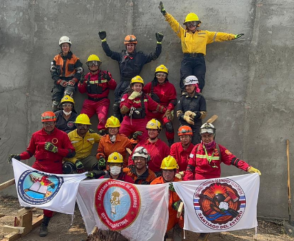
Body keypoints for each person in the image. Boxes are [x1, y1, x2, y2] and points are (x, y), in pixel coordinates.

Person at [183, 123, 261, 241]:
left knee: (211, 207)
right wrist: (187, 184)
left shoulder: (219, 149)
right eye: (204, 136)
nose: (207, 138)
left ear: (214, 135)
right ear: (201, 136)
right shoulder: (196, 148)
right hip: (198, 186)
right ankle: (199, 228)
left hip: (213, 186)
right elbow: (190, 168)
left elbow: (233, 159)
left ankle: (205, 232)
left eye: (209, 135)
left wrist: (248, 168)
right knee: (198, 208)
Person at [8, 111, 75, 237]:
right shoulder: (36, 135)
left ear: (55, 122)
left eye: (50, 123)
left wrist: (57, 150)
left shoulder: (62, 136)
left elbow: (71, 152)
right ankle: (29, 202)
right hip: (38, 167)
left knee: (49, 199)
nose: (48, 125)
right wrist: (18, 157)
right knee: (26, 182)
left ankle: (44, 224)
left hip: (54, 169)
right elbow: (29, 152)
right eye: (45, 123)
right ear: (42, 124)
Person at [158, 2, 244, 91]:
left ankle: (197, 96)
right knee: (185, 78)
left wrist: (232, 37)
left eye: (193, 23)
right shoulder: (183, 33)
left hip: (199, 60)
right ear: (186, 25)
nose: (191, 25)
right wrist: (165, 13)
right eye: (189, 24)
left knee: (200, 79)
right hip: (187, 60)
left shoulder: (205, 34)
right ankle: (184, 96)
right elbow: (173, 23)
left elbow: (219, 35)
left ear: (197, 24)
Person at [98, 31, 163, 121]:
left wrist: (159, 43)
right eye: (128, 45)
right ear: (126, 46)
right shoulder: (121, 55)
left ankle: (125, 127)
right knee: (116, 106)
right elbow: (109, 53)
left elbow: (154, 56)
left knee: (127, 108)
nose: (130, 47)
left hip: (133, 85)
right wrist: (103, 41)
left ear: (135, 46)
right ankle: (117, 127)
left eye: (132, 45)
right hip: (121, 84)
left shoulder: (140, 57)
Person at [78, 54, 117, 135]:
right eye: (90, 64)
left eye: (95, 63)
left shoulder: (105, 74)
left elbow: (113, 87)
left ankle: (103, 136)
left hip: (102, 102)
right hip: (89, 102)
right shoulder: (86, 77)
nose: (93, 65)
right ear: (88, 66)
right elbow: (81, 91)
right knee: (81, 120)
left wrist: (109, 80)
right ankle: (80, 136)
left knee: (102, 119)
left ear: (98, 65)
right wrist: (81, 83)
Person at [120, 76, 166, 141]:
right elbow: (123, 111)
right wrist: (131, 99)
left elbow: (155, 106)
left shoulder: (145, 97)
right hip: (128, 121)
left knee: (145, 140)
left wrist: (167, 111)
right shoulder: (126, 96)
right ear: (132, 87)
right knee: (119, 138)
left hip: (142, 121)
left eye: (140, 86)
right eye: (136, 86)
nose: (138, 88)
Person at [143, 64, 177, 146]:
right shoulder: (150, 85)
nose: (161, 77)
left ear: (166, 76)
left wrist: (169, 109)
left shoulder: (170, 87)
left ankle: (170, 145)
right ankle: (145, 145)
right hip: (151, 112)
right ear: (155, 76)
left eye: (163, 75)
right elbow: (142, 93)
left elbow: (173, 100)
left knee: (169, 126)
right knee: (144, 128)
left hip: (164, 111)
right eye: (158, 75)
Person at [151, 156, 183, 240]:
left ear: (175, 171)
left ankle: (178, 231)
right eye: (165, 171)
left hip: (175, 219)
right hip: (160, 219)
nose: (167, 174)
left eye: (170, 171)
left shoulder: (180, 184)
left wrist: (181, 203)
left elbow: (187, 200)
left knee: (184, 214)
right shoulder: (155, 184)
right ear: (161, 171)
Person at [50, 36, 83, 112]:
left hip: (70, 82)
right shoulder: (56, 58)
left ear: (69, 47)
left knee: (67, 98)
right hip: (59, 82)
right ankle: (56, 120)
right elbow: (53, 72)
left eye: (66, 46)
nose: (65, 47)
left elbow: (80, 71)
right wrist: (59, 81)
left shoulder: (75, 59)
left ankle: (69, 118)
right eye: (63, 46)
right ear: (61, 47)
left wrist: (74, 80)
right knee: (55, 104)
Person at [177, 75, 207, 144]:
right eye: (186, 86)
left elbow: (204, 113)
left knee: (195, 144)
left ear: (195, 85)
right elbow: (178, 112)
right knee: (184, 145)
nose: (187, 88)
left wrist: (194, 114)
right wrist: (184, 117)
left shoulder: (200, 98)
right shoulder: (183, 98)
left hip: (196, 127)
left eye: (189, 85)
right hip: (184, 126)